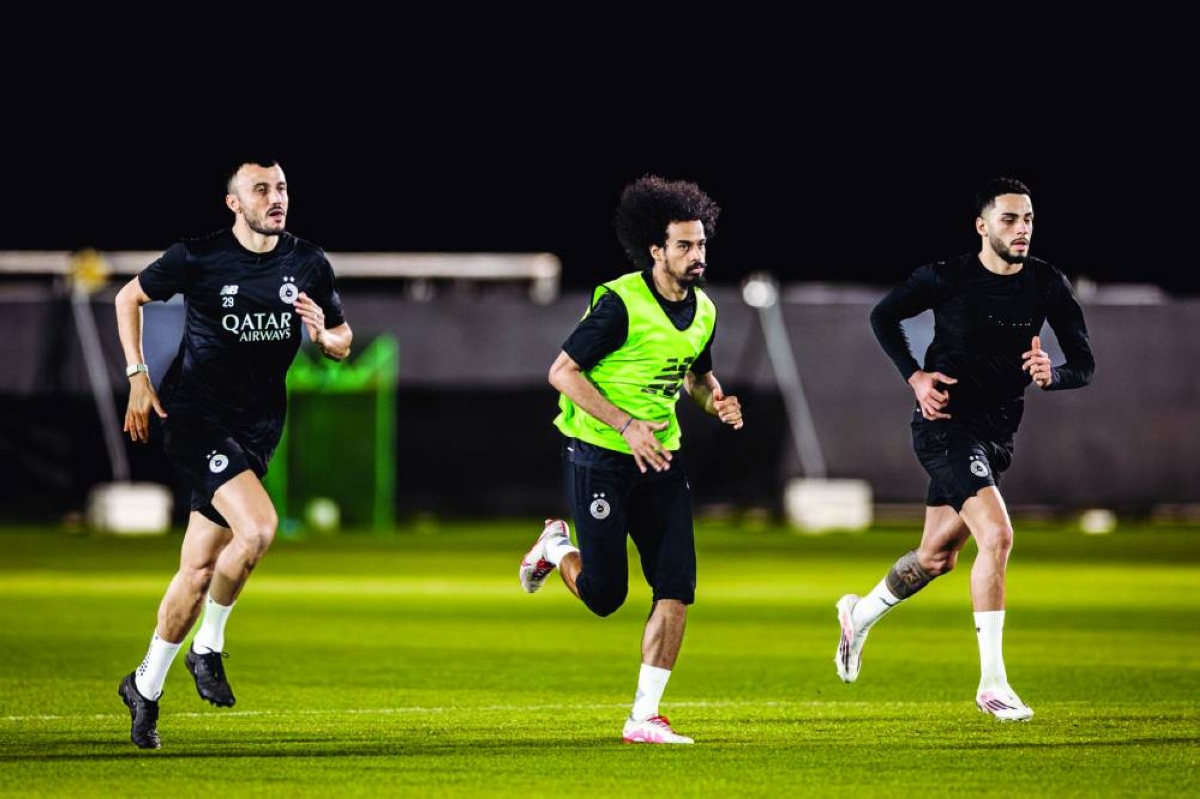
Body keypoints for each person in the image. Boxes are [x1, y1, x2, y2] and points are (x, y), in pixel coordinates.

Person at [113, 157, 352, 748]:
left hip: (256, 431)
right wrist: (137, 374)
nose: (277, 198)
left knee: (195, 574)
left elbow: (344, 339)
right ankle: (208, 648)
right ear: (234, 203)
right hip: (194, 418)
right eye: (261, 189)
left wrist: (325, 336)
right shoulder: (198, 256)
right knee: (261, 528)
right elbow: (127, 298)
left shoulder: (308, 263)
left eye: (283, 188)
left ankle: (144, 685)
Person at [835, 177, 1094, 721]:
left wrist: (1054, 374)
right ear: (982, 225)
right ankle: (993, 683)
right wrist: (915, 378)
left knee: (936, 557)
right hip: (945, 426)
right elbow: (883, 316)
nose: (1021, 229)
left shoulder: (1047, 283)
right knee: (996, 535)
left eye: (1027, 220)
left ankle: (858, 615)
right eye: (1008, 219)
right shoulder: (947, 277)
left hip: (998, 436)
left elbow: (1083, 365)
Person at [518, 175, 744, 745]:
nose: (697, 256)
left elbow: (696, 376)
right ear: (656, 250)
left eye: (702, 245)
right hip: (599, 454)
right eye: (685, 246)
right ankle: (554, 546)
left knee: (677, 584)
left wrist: (716, 402)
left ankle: (644, 716)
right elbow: (561, 372)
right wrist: (625, 424)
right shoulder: (620, 303)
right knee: (604, 595)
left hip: (661, 458)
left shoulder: (706, 311)